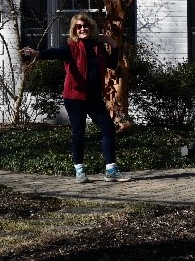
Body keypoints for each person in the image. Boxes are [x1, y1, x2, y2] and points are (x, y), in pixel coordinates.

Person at [21, 12, 131, 183]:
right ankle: (79, 170)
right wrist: (37, 54)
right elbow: (55, 52)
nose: (82, 29)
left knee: (108, 129)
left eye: (85, 26)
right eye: (79, 27)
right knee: (78, 132)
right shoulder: (72, 47)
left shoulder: (97, 47)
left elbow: (110, 64)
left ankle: (111, 170)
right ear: (74, 30)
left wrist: (114, 46)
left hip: (94, 98)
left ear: (90, 27)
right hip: (75, 97)